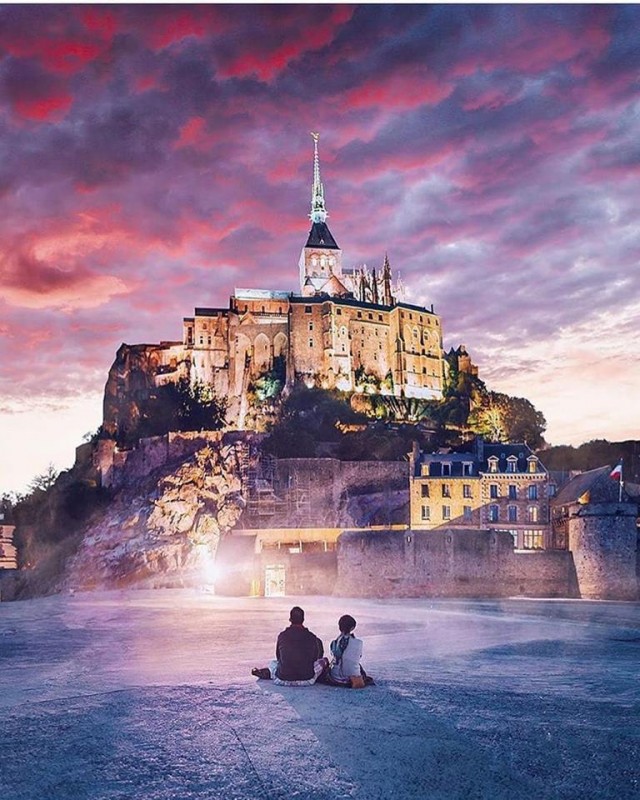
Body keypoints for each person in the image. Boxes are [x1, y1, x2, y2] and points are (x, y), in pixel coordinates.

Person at [252, 606, 327, 686]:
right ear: (303, 620)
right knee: (324, 661)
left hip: (283, 679)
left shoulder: (282, 636)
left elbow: (279, 657)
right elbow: (315, 659)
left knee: (273, 664)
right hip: (307, 679)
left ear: (290, 619)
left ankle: (269, 673)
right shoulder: (312, 637)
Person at [325, 614, 373, 688]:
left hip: (336, 678)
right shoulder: (359, 642)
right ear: (352, 628)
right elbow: (358, 657)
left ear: (339, 627)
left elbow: (335, 655)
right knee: (357, 665)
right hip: (353, 677)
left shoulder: (334, 642)